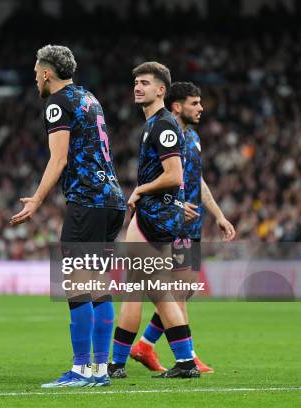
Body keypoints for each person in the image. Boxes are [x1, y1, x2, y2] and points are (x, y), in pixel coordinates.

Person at [10, 45, 126, 387]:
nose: (34, 78)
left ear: (47, 72)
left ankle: (79, 370)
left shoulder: (56, 103)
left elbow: (58, 159)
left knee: (76, 284)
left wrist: (36, 201)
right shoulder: (89, 97)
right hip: (112, 199)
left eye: (35, 72)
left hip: (87, 200)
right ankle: (100, 371)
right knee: (98, 285)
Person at [129, 82, 236, 373]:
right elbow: (166, 180)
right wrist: (175, 208)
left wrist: (218, 214)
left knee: (183, 290)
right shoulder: (170, 136)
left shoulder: (193, 137)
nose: (201, 108)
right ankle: (185, 354)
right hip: (174, 225)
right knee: (176, 290)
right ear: (177, 106)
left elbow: (197, 181)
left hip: (194, 224)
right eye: (194, 103)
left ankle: (146, 346)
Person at [110, 62, 200, 379]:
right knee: (138, 289)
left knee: (157, 292)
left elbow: (174, 176)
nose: (138, 86)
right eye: (136, 81)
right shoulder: (153, 124)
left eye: (145, 82)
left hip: (153, 217)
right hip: (158, 216)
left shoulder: (161, 126)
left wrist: (140, 190)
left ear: (161, 90)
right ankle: (118, 364)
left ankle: (186, 361)